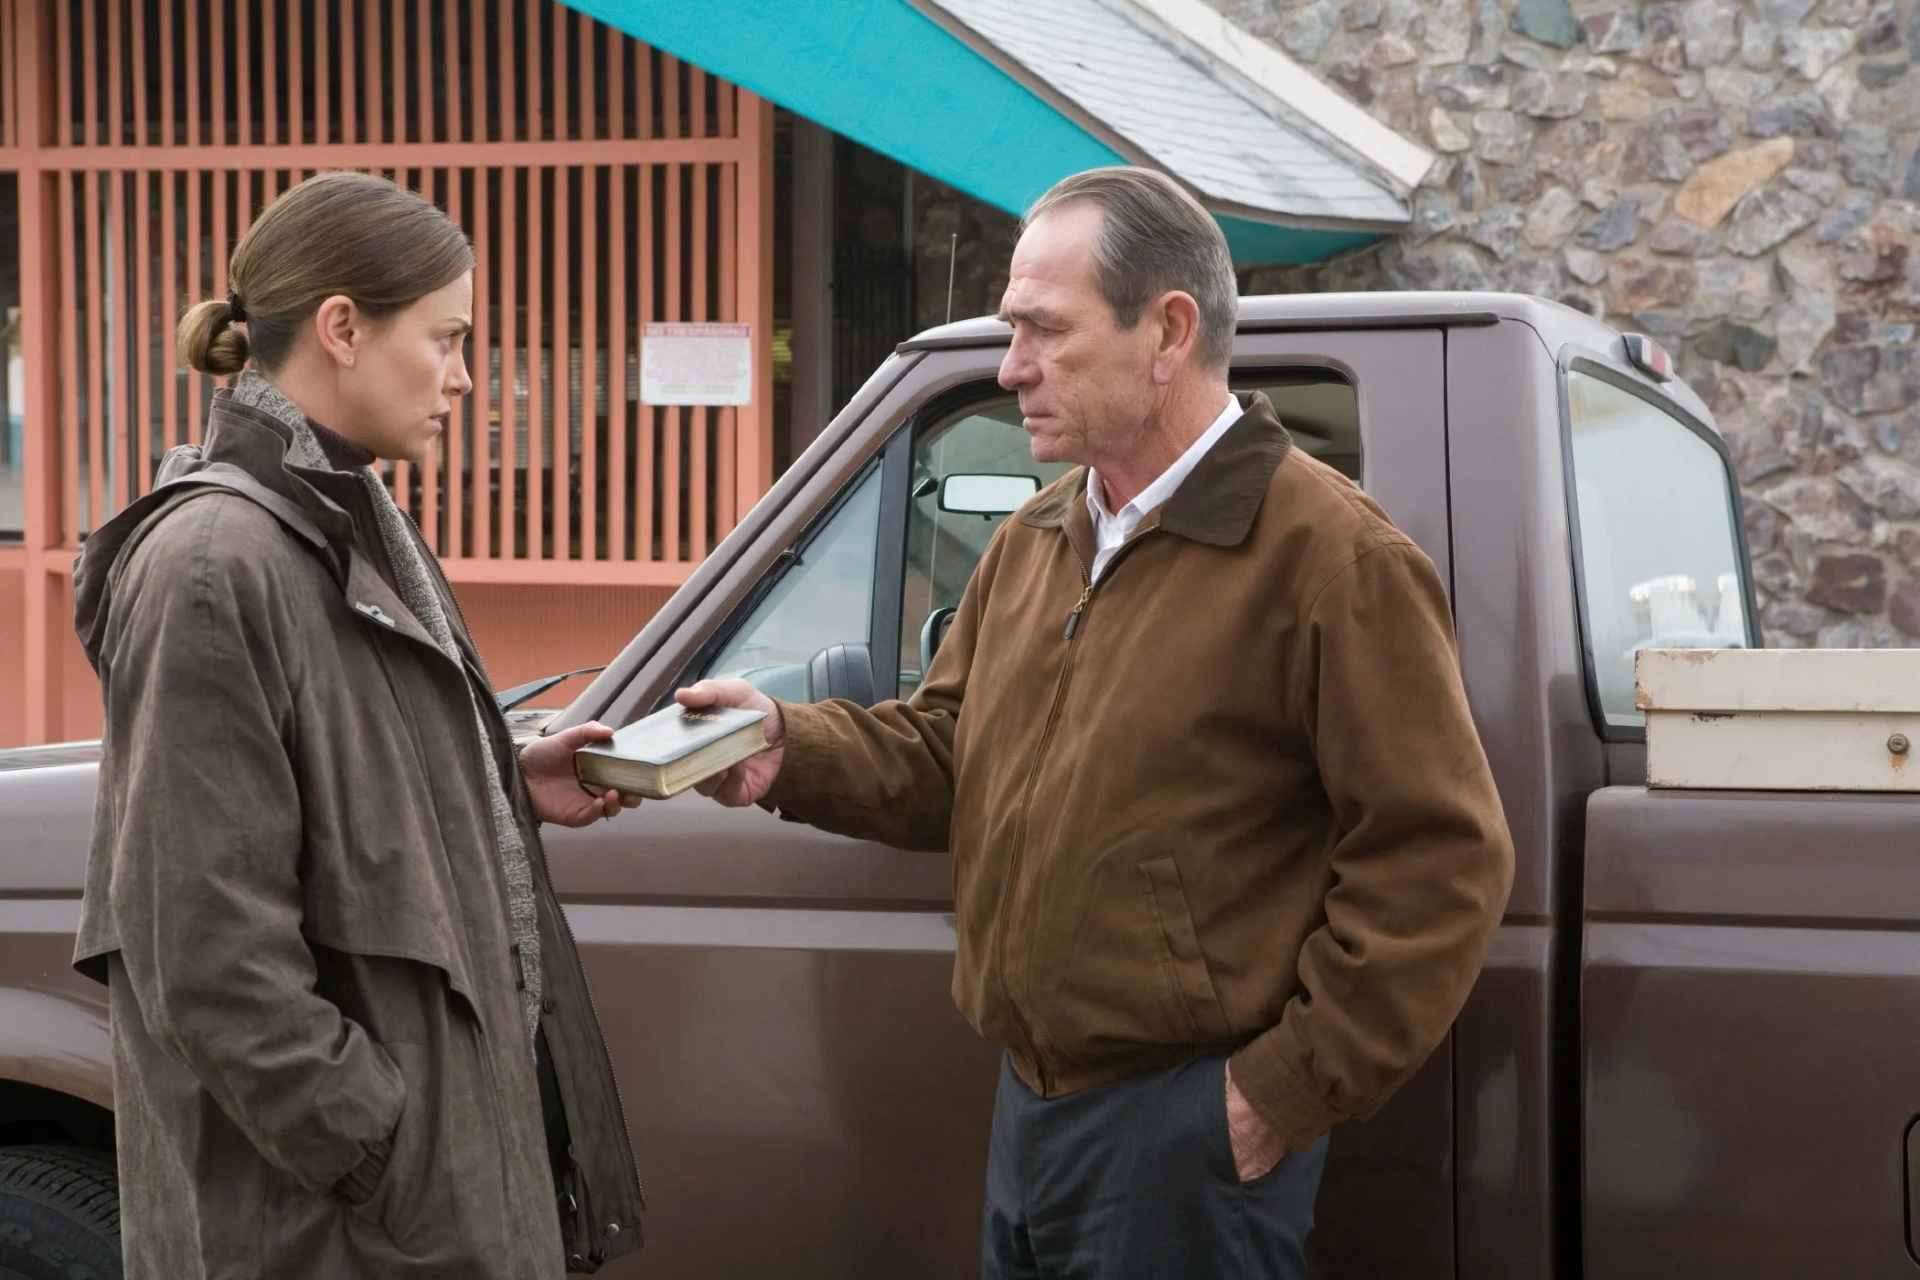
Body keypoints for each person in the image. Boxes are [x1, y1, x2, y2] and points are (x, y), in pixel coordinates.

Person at [678, 166, 1514, 1279]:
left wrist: (1273, 1096)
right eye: (1009, 330)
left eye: (1043, 330)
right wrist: (788, 741)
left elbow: (1441, 858)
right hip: (1031, 1109)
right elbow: (948, 750)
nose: (1010, 366)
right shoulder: (1035, 539)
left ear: (1168, 331)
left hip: (1185, 1133)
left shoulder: (1333, 559)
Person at [71, 171, 643, 1279]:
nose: (467, 377)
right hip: (337, 1229)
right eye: (446, 337)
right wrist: (387, 1147)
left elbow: (324, 785)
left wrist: (500, 774)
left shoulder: (344, 518)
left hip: (407, 1212)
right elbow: (205, 952)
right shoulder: (214, 564)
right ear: (342, 327)